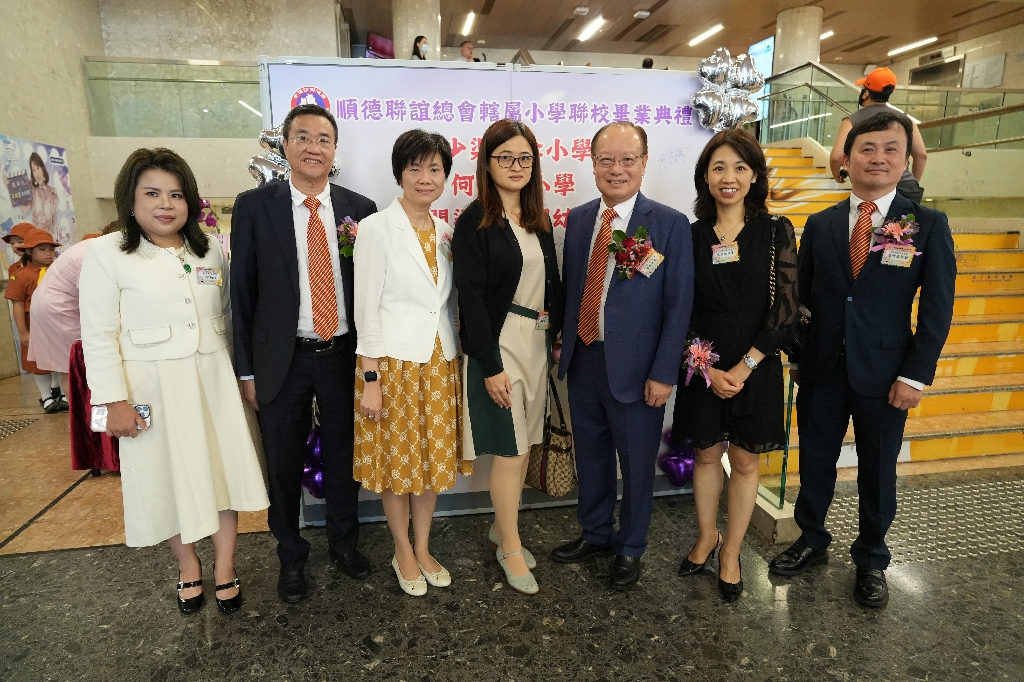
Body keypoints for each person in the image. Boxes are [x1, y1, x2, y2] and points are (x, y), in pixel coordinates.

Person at [769, 111, 956, 608]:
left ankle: (872, 557)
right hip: (822, 370)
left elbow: (937, 310)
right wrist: (797, 357)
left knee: (877, 470)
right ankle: (811, 537)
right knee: (815, 461)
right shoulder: (822, 223)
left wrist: (915, 375)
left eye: (890, 149)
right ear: (846, 159)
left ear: (906, 159)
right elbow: (804, 299)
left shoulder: (926, 225)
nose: (878, 158)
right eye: (866, 149)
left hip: (887, 374)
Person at [79, 147, 269, 615]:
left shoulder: (208, 249)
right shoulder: (106, 253)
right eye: (152, 193)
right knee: (164, 478)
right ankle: (188, 566)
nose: (166, 204)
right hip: (150, 389)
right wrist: (112, 401)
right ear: (130, 199)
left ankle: (226, 566)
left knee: (222, 475)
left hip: (212, 381)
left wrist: (243, 375)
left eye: (177, 194)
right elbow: (98, 334)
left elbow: (229, 316)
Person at [231, 103, 378, 604]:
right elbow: (242, 295)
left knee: (344, 454)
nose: (314, 147)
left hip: (343, 354)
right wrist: (246, 371)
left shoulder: (360, 208)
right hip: (281, 358)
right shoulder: (255, 207)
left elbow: (371, 289)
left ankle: (344, 544)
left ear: (334, 150)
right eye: (303, 137)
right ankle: (290, 556)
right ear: (286, 145)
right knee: (282, 462)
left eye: (323, 139)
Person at [552, 121, 694, 590]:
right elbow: (573, 289)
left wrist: (664, 372)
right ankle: (595, 533)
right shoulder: (578, 220)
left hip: (638, 370)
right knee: (591, 457)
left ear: (644, 163)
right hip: (584, 360)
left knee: (635, 465)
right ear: (592, 163)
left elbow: (678, 304)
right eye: (606, 159)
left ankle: (630, 547)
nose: (616, 169)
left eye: (627, 159)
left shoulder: (669, 224)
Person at [672, 129, 798, 601]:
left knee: (745, 461)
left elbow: (787, 309)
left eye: (740, 168)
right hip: (702, 365)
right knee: (706, 454)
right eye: (719, 167)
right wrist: (704, 365)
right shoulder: (690, 236)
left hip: (756, 365)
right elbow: (679, 308)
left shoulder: (776, 231)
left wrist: (745, 365)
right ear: (705, 177)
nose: (730, 177)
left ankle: (732, 552)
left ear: (755, 176)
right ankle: (707, 537)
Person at [353, 129, 469, 596]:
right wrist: (371, 379)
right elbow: (365, 310)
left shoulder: (446, 233)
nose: (425, 178)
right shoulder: (376, 228)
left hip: (439, 362)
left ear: (445, 176)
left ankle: (423, 546)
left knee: (432, 461)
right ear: (400, 173)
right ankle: (401, 549)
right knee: (397, 463)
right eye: (415, 168)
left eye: (435, 169)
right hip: (393, 366)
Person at [454, 119, 564, 595]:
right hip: (499, 345)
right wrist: (490, 365)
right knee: (511, 449)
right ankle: (511, 548)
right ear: (487, 163)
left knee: (525, 446)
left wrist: (558, 335)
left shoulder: (538, 219)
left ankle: (502, 529)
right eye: (505, 158)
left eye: (524, 158)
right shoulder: (475, 221)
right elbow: (472, 301)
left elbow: (552, 284)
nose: (516, 166)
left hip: (536, 342)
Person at [29, 221, 120, 474]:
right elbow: (95, 296)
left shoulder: (94, 247)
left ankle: (94, 436)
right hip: (60, 311)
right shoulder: (97, 252)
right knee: (84, 372)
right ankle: (97, 439)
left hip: (54, 307)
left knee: (75, 371)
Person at [830, 67, 928, 203]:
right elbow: (921, 155)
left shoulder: (852, 121)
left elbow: (836, 157)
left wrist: (836, 175)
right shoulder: (906, 120)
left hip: (873, 189)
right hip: (907, 189)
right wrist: (912, 181)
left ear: (866, 93)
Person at [5, 228, 67, 413]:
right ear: (29, 251)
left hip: (58, 324)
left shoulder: (59, 271)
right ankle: (46, 396)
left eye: (51, 249)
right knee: (38, 363)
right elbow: (17, 305)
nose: (48, 253)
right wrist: (23, 332)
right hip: (34, 326)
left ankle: (64, 394)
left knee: (61, 359)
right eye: (42, 249)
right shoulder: (21, 275)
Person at [28, 153, 59, 234]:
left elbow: (53, 218)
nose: (36, 173)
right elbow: (25, 210)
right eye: (33, 170)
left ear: (42, 169)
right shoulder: (31, 188)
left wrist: (56, 234)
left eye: (38, 168)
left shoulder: (52, 192)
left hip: (48, 235)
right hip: (35, 233)